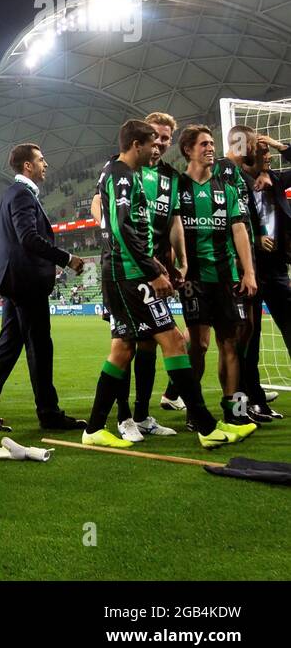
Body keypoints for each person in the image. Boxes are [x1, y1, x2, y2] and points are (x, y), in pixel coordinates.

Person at [80, 119, 250, 450]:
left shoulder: (134, 176)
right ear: (136, 145)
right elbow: (123, 227)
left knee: (122, 348)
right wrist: (151, 270)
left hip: (129, 271)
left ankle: (95, 428)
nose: (157, 149)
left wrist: (159, 263)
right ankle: (206, 427)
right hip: (128, 274)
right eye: (152, 143)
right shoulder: (121, 175)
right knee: (173, 340)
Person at [0, 144, 86, 431]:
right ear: (27, 166)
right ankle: (48, 413)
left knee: (9, 346)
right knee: (39, 346)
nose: (45, 164)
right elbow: (28, 238)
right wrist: (67, 258)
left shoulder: (17, 194)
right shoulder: (22, 195)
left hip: (16, 281)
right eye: (41, 159)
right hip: (25, 283)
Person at [91, 113, 184, 431]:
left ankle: (142, 415)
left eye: (166, 137)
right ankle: (124, 416)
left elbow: (174, 221)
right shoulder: (122, 167)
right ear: (143, 139)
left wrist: (179, 261)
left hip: (153, 266)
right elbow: (101, 207)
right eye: (155, 136)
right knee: (124, 341)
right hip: (125, 267)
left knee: (147, 343)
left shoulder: (171, 177)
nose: (160, 142)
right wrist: (112, 237)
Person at [174, 124, 259, 429]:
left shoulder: (227, 189)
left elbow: (239, 230)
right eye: (203, 144)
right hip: (193, 280)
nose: (210, 148)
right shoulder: (177, 187)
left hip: (226, 277)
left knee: (231, 343)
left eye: (212, 144)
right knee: (198, 345)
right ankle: (194, 410)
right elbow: (171, 230)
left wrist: (248, 271)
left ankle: (234, 411)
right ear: (188, 150)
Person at [227, 126, 290, 421]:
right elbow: (229, 223)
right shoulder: (233, 180)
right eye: (260, 150)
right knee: (245, 342)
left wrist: (277, 145)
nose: (267, 156)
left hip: (276, 271)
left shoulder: (275, 180)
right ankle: (248, 405)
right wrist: (254, 241)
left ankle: (256, 404)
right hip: (247, 271)